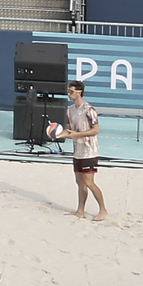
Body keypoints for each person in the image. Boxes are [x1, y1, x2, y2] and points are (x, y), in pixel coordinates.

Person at [52, 81, 106, 219]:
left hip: (89, 150)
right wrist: (58, 134)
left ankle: (103, 209)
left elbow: (96, 130)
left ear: (79, 92)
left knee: (89, 182)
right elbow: (71, 131)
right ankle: (80, 210)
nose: (68, 94)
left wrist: (77, 135)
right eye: (68, 91)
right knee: (79, 182)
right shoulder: (70, 110)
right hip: (78, 151)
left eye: (71, 92)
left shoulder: (89, 109)